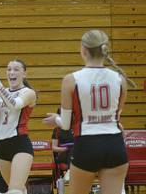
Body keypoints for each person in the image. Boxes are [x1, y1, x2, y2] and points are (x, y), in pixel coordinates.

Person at [43, 30, 135, 194]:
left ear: (83, 50)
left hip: (86, 145)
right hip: (114, 145)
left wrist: (56, 119)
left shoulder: (71, 79)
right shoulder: (120, 79)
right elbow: (117, 116)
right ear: (104, 50)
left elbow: (65, 124)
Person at [0, 60, 37, 194]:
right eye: (9, 69)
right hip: (2, 146)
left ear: (24, 74)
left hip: (20, 144)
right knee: (18, 190)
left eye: (16, 69)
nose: (11, 72)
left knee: (15, 191)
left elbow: (15, 104)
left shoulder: (28, 93)